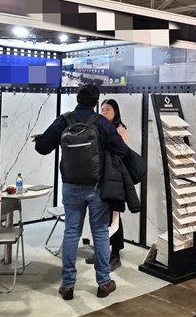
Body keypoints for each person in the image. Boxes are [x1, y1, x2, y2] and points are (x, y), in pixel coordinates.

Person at [33, 83, 129, 300]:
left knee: (71, 232)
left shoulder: (64, 120)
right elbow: (121, 150)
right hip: (97, 186)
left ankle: (67, 285)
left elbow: (42, 148)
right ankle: (104, 282)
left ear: (77, 98)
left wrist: (41, 138)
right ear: (96, 102)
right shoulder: (101, 122)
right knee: (100, 232)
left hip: (70, 186)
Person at [86, 98, 128, 271]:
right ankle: (102, 252)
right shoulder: (100, 128)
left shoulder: (120, 129)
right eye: (102, 109)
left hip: (115, 179)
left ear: (115, 112)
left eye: (107, 110)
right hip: (101, 178)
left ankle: (115, 254)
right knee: (103, 216)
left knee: (114, 216)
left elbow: (123, 152)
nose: (103, 112)